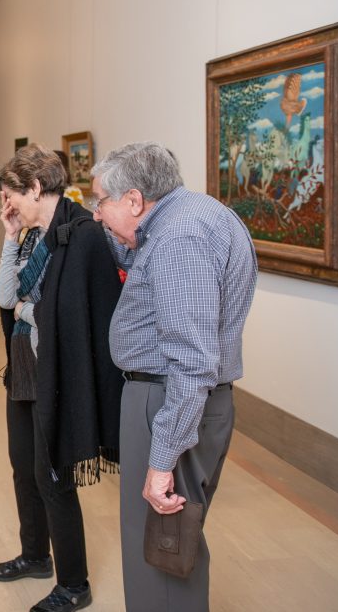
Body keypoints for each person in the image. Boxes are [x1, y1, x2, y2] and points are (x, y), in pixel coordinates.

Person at [90, 142, 257, 612]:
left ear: (134, 200)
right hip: (178, 399)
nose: (97, 215)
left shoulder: (180, 238)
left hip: (169, 401)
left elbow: (191, 360)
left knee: (159, 546)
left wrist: (162, 460)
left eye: (100, 201)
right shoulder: (194, 214)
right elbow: (139, 266)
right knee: (172, 542)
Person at [0, 143, 124, 612]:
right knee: (23, 466)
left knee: (53, 476)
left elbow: (69, 316)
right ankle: (33, 556)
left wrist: (30, 310)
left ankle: (74, 583)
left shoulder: (81, 234)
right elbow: (8, 299)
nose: (8, 207)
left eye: (11, 198)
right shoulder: (28, 236)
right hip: (25, 366)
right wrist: (8, 237)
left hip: (60, 372)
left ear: (37, 187)